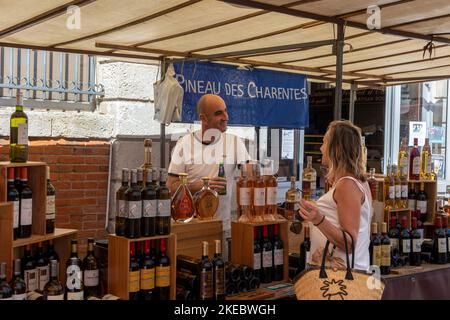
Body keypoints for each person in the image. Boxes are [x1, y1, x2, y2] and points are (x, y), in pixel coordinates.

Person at [167, 94, 250, 260]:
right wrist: (203, 185)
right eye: (219, 113)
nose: (226, 117)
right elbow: (171, 185)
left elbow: (249, 176)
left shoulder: (235, 143)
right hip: (191, 228)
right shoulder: (184, 144)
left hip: (222, 226)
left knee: (221, 276)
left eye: (226, 111)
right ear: (203, 118)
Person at [299, 120, 372, 271]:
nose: (320, 148)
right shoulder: (354, 182)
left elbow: (349, 243)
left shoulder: (347, 185)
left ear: (336, 148)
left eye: (325, 142)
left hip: (341, 281)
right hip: (336, 277)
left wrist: (319, 219)